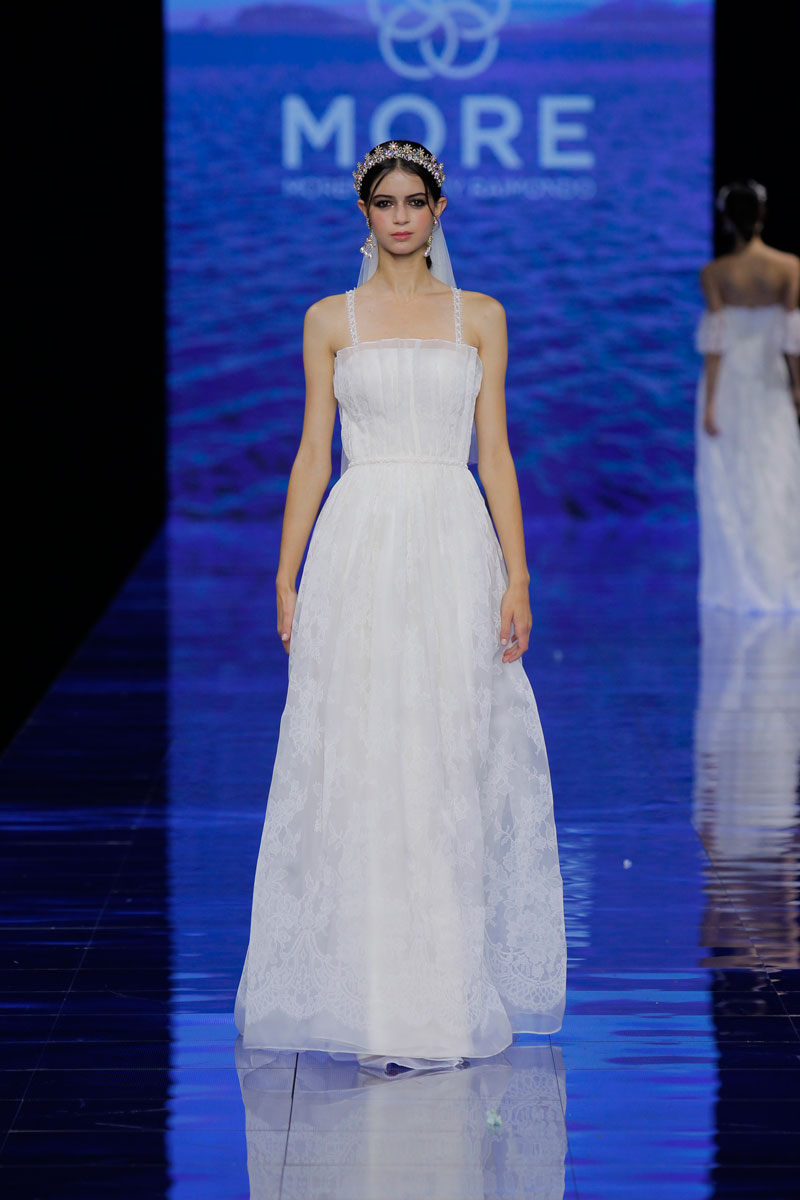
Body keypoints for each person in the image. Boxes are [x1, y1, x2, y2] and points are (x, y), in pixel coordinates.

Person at [234, 140, 567, 1073]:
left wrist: (518, 575)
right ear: (365, 212)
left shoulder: (482, 316)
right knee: (363, 756)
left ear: (439, 210)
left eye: (415, 201)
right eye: (385, 202)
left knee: (451, 755)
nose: (401, 217)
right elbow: (313, 452)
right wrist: (286, 572)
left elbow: (495, 453)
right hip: (360, 546)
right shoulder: (328, 319)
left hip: (454, 544)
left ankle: (442, 989)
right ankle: (372, 994)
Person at [695, 179, 800, 612]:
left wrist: (710, 403)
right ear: (761, 216)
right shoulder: (788, 266)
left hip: (730, 387)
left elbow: (716, 344)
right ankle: (778, 580)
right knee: (776, 477)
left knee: (730, 482)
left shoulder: (715, 273)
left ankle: (739, 584)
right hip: (771, 383)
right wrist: (797, 386)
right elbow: (792, 339)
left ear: (726, 219)